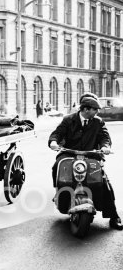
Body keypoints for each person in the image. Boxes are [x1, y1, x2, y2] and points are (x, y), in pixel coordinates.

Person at [48, 93, 123, 230]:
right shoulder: (68, 119)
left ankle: (114, 216)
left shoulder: (98, 122)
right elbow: (57, 133)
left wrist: (105, 146)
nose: (97, 112)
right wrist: (53, 142)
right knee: (56, 166)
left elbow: (104, 137)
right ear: (86, 109)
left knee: (104, 182)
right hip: (69, 153)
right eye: (95, 109)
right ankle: (59, 192)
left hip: (91, 154)